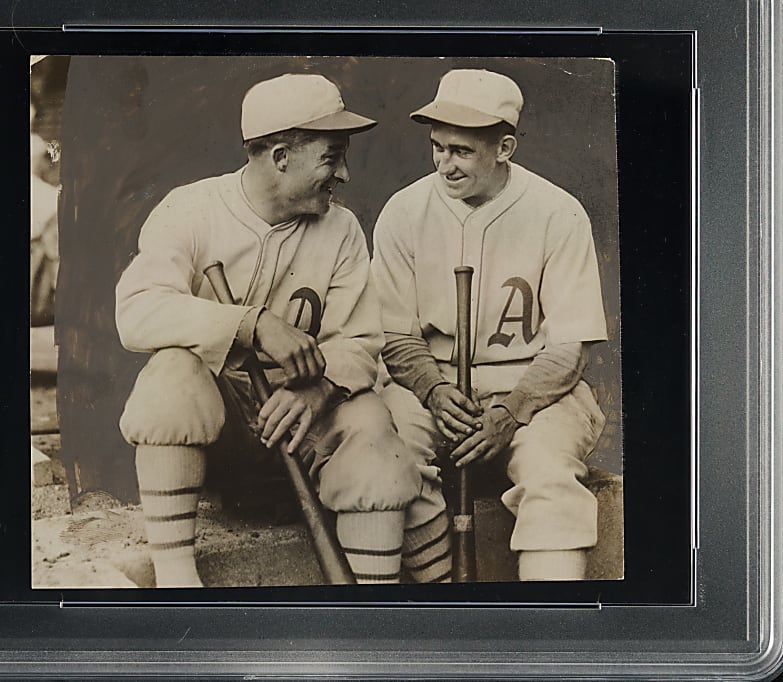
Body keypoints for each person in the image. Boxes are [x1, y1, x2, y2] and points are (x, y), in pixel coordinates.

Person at [115, 73, 422, 588]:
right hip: (225, 434)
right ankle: (177, 585)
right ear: (281, 156)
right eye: (331, 156)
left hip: (309, 429)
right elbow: (137, 311)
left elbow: (363, 342)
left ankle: (373, 612)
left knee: (371, 420)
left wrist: (320, 390)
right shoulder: (189, 209)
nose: (343, 173)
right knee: (170, 374)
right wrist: (250, 325)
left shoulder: (341, 228)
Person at [373, 69, 608, 581]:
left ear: (504, 147)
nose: (444, 164)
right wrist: (434, 391)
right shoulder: (404, 212)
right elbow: (393, 335)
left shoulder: (557, 212)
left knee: (549, 473)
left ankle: (547, 638)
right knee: (387, 456)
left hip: (534, 391)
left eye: (462, 151)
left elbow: (569, 348)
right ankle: (436, 614)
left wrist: (512, 409)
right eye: (438, 147)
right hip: (428, 387)